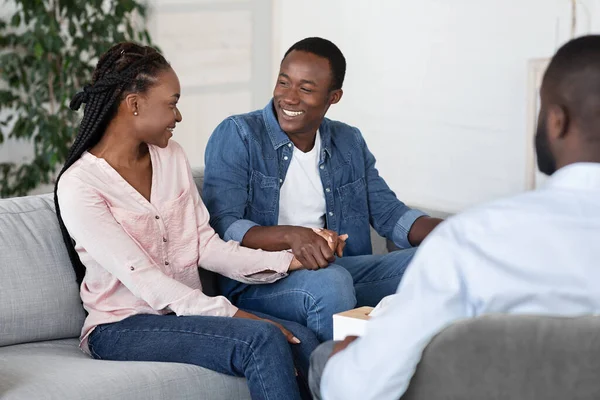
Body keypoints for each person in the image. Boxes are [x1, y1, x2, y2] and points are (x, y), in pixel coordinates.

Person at [308, 34, 600, 400]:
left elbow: (356, 389)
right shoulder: (467, 238)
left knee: (327, 361)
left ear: (556, 121)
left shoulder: (474, 241)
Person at [53, 42, 320, 400]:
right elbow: (146, 281)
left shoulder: (171, 156)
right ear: (134, 105)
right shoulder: (80, 185)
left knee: (306, 339)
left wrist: (289, 260)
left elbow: (204, 245)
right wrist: (235, 315)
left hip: (182, 316)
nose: (178, 117)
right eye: (171, 103)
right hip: (120, 327)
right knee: (261, 338)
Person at [203, 37, 443, 342]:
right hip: (260, 281)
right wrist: (293, 236)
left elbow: (392, 216)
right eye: (283, 83)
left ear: (334, 96)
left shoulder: (348, 141)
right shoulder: (240, 134)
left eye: (305, 89)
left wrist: (460, 233)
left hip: (338, 269)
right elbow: (224, 224)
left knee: (440, 260)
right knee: (333, 282)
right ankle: (335, 380)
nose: (289, 98)